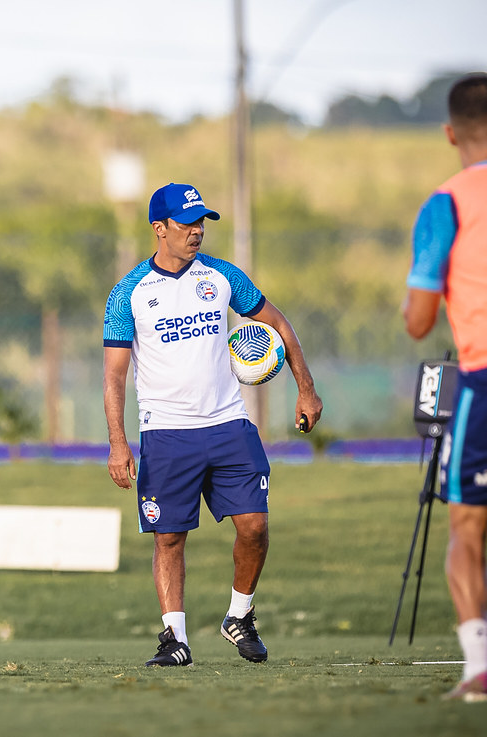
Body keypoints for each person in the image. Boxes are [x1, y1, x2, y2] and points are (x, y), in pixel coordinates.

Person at [103, 182, 322, 667]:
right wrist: (119, 443)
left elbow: (280, 324)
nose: (197, 231)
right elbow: (115, 375)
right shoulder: (129, 293)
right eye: (187, 223)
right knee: (169, 538)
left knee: (255, 526)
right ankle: (174, 639)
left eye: (202, 222)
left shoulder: (223, 277)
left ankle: (239, 616)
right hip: (165, 431)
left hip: (229, 425)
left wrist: (306, 387)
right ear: (159, 229)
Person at [404, 72, 487, 702]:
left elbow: (420, 321)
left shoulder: (447, 205)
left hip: (481, 382)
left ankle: (479, 665)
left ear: (449, 132)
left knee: (466, 527)